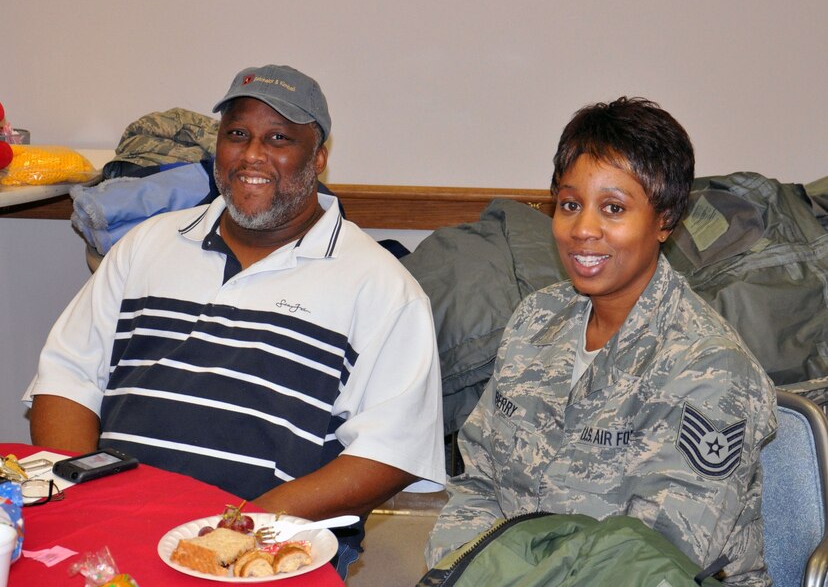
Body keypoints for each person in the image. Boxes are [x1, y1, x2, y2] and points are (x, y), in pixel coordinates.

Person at [24, 64, 446, 573]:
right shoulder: (148, 245)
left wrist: (233, 530)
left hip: (267, 547)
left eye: (279, 139)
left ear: (319, 159)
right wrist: (81, 497)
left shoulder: (382, 287)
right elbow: (67, 378)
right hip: (116, 526)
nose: (252, 155)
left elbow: (390, 455)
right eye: (238, 134)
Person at [425, 97, 777, 586]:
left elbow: (651, 560)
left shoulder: (709, 368)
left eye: (613, 208)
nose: (583, 230)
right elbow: (477, 486)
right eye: (570, 205)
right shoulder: (534, 321)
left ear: (665, 219)